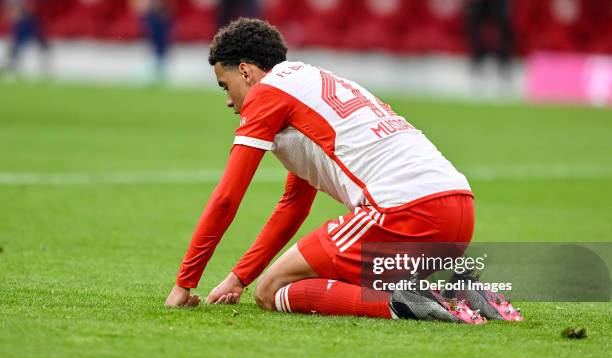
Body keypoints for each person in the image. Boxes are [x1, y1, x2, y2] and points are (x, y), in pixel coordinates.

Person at [164, 18, 522, 323]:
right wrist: (237, 278)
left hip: (403, 212)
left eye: (225, 86)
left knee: (271, 290)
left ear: (245, 70)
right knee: (277, 281)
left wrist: (185, 283)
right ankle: (456, 289)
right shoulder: (307, 82)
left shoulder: (265, 95)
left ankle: (399, 302)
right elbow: (294, 205)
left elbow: (228, 197)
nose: (229, 100)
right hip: (458, 211)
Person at [1, 0, 50, 74]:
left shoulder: (30, 21)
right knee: (16, 47)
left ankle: (11, 65)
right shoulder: (22, 24)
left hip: (30, 31)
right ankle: (11, 65)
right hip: (26, 33)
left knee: (17, 47)